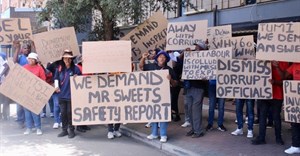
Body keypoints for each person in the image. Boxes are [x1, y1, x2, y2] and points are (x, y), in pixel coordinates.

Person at [140, 50, 178, 143]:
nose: (162, 58)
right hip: (152, 95)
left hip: (164, 95)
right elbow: (141, 67)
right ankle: (154, 133)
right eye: (160, 56)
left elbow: (175, 84)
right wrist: (143, 58)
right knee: (153, 114)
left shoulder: (169, 70)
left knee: (163, 115)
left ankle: (163, 134)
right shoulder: (151, 66)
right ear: (157, 58)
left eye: (164, 57)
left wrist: (171, 79)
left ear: (166, 59)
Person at [251, 61, 289, 145]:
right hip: (264, 94)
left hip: (277, 95)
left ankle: (278, 138)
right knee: (262, 117)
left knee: (276, 117)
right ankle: (261, 138)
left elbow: (285, 80)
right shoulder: (262, 61)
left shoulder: (284, 62)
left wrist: (277, 67)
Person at [54, 50, 81, 139]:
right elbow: (56, 78)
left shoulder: (75, 68)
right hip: (61, 95)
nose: (67, 60)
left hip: (71, 96)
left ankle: (71, 130)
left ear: (72, 59)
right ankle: (64, 130)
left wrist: (78, 77)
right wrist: (56, 86)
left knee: (70, 113)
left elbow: (82, 80)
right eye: (65, 58)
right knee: (63, 113)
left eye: (69, 58)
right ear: (63, 58)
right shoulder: (59, 68)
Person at [184, 42, 207, 138]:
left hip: (198, 87)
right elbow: (179, 62)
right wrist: (186, 53)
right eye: (196, 46)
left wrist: (204, 77)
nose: (196, 48)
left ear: (202, 49)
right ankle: (193, 129)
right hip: (189, 86)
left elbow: (208, 74)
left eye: (198, 46)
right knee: (189, 109)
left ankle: (198, 131)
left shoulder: (206, 59)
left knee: (196, 109)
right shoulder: (191, 56)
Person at [278, 62, 300, 154]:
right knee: (295, 122)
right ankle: (296, 145)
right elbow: (284, 76)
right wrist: (277, 67)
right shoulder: (294, 65)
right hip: (296, 99)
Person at [23, 52, 46, 135]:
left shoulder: (39, 68)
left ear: (36, 60)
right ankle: (29, 128)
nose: (31, 60)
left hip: (35, 93)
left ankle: (38, 128)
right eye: (29, 58)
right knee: (27, 111)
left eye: (33, 59)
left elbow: (43, 80)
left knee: (35, 111)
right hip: (26, 92)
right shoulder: (24, 67)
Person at [13, 41, 34, 128]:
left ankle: (30, 121)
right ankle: (21, 121)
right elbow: (14, 61)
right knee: (20, 105)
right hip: (21, 84)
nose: (27, 49)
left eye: (28, 48)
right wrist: (17, 48)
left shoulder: (32, 58)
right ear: (22, 49)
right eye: (25, 48)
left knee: (30, 104)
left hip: (30, 84)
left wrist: (33, 45)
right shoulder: (20, 57)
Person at [47, 61, 62, 129]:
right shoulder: (53, 64)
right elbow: (47, 71)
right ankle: (56, 121)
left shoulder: (66, 65)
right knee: (56, 105)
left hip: (64, 88)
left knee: (62, 106)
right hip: (55, 88)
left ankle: (61, 121)